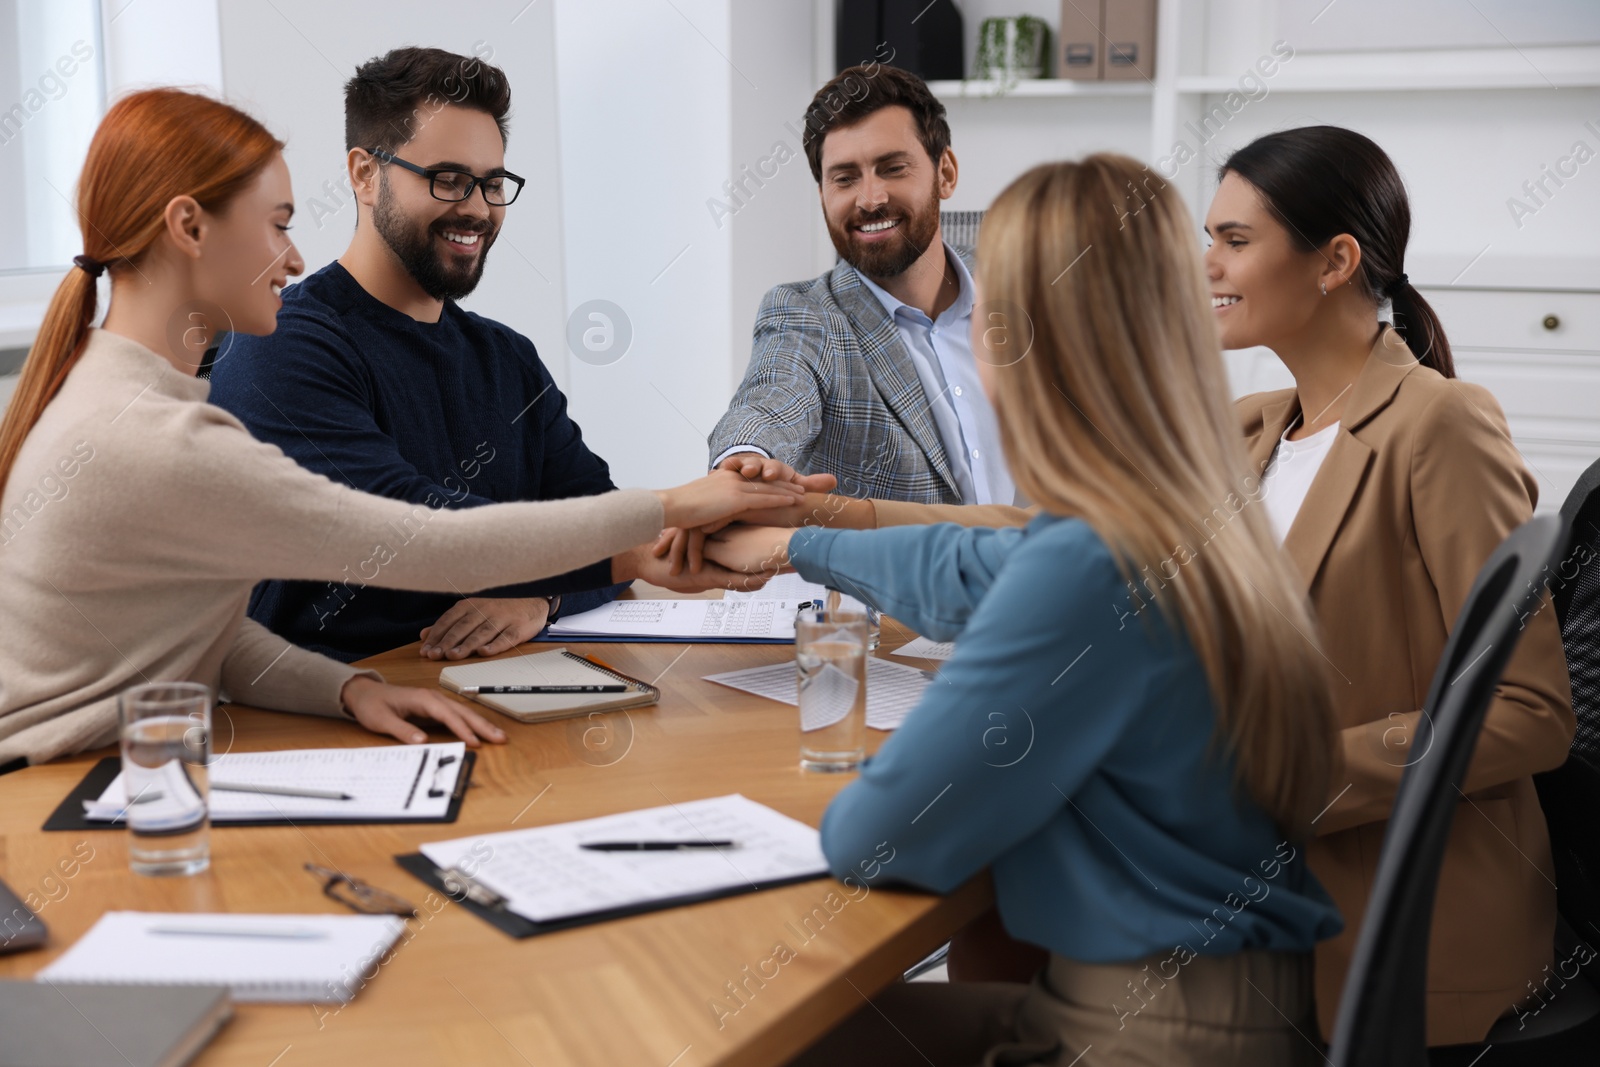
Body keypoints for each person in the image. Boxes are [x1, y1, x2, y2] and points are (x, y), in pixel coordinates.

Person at [704, 155, 1343, 1066]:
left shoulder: (1090, 564)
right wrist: (793, 542)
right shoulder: (1192, 514)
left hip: (1147, 1039)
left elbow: (875, 839)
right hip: (1219, 1008)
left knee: (742, 1034)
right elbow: (972, 563)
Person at [0, 88, 799, 770]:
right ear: (189, 227)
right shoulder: (158, 437)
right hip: (58, 796)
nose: (291, 252)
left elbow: (201, 630)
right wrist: (674, 506)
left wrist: (349, 690)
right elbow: (427, 543)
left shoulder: (125, 399)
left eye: (492, 183)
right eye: (276, 223)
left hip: (120, 768)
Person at [207, 47, 829, 665]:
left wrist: (547, 596)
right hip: (338, 708)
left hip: (502, 690)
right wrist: (652, 522)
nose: (477, 208)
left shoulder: (506, 357)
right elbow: (406, 529)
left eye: (493, 183)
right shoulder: (285, 343)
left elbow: (594, 513)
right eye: (447, 179)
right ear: (365, 174)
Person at [1207, 126, 1573, 1047]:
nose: (1205, 262)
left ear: (1335, 261)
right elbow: (1057, 527)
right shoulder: (1255, 431)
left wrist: (1289, 775)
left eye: (1234, 240)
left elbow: (1532, 710)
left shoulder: (1439, 427)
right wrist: (824, 519)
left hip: (1393, 928)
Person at [707, 64, 1019, 507]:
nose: (870, 199)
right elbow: (771, 398)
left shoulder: (1019, 282)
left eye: (892, 168)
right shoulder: (805, 316)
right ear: (822, 196)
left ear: (945, 173)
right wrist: (745, 460)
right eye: (845, 178)